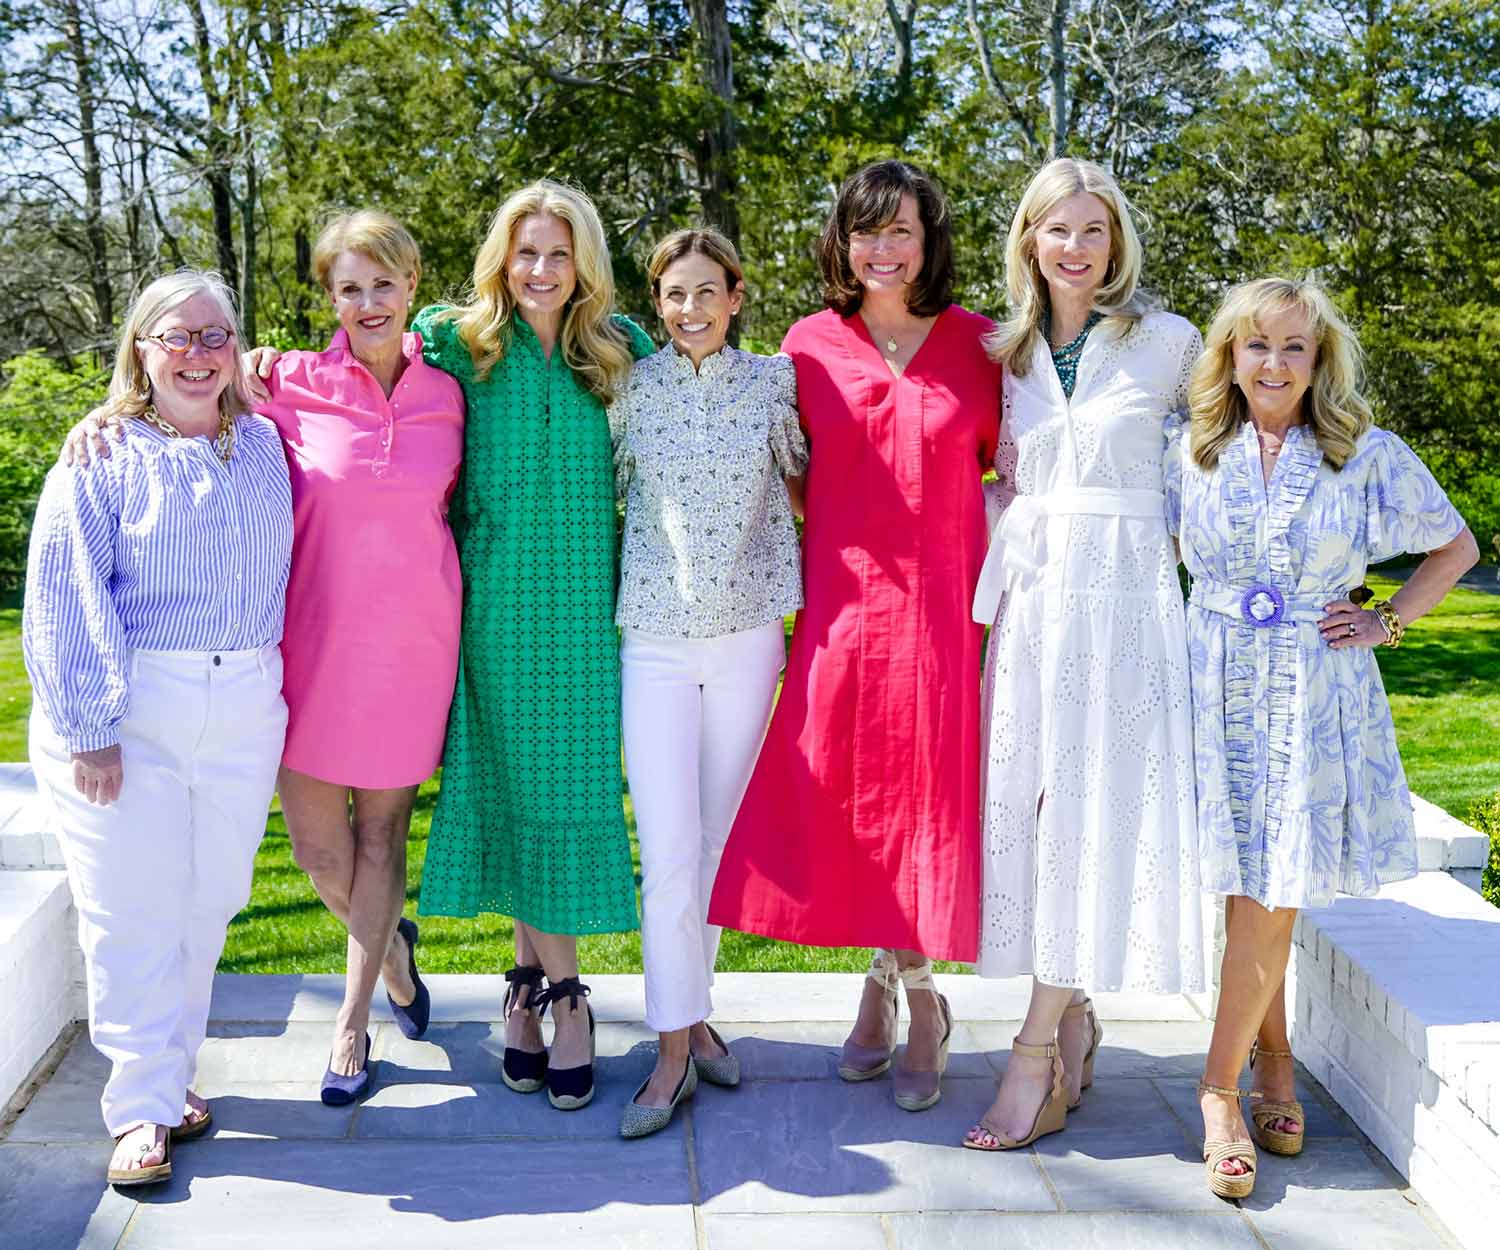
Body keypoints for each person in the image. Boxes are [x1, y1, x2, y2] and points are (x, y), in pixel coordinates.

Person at [65, 212, 465, 1105]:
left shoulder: (453, 391)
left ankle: (353, 1024)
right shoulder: (280, 382)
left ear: (412, 285)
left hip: (415, 648)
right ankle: (391, 951)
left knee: (382, 836)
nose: (368, 302)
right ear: (329, 296)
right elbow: (179, 392)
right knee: (324, 855)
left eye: (384, 283)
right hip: (307, 650)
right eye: (349, 286)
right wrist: (105, 411)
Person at [1170, 277, 1478, 1199]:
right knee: (1245, 886)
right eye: (1256, 345)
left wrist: (1386, 623)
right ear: (1228, 354)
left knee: (1277, 882)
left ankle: (1218, 1091)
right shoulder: (1186, 451)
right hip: (1212, 682)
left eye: (1294, 348)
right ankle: (1276, 1061)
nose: (1274, 363)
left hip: (1314, 691)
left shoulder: (1365, 454)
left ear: (1318, 360)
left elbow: (1454, 547)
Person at [708, 160, 1000, 1113]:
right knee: (855, 812)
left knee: (927, 813)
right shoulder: (806, 344)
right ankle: (901, 989)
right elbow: (785, 465)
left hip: (947, 616)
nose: (884, 249)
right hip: (845, 608)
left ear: (930, 240)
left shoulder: (982, 345)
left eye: (902, 231)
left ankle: (909, 1001)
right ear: (842, 242)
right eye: (866, 231)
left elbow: (1016, 468)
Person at [25, 270, 292, 1186]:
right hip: (129, 706)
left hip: (246, 702)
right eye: (172, 337)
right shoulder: (100, 453)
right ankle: (138, 1108)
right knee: (132, 914)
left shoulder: (264, 445)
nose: (194, 354)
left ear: (236, 349)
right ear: (140, 348)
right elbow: (63, 593)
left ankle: (172, 1077)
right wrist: (89, 726)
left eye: (213, 336)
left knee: (206, 903)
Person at [964, 158, 1204, 1152]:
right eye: (1056, 230)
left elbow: (1220, 464)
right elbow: (985, 477)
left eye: (1092, 231)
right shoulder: (1004, 353)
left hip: (1127, 605)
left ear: (1116, 243)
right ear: (1029, 240)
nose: (1075, 247)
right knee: (1032, 814)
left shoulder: (1170, 343)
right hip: (1033, 606)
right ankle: (1071, 1017)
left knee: (1095, 812)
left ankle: (1032, 1052)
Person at [413, 180, 653, 1111]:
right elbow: (356, 370)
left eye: (559, 253)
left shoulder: (620, 350)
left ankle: (527, 987)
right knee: (517, 787)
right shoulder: (455, 342)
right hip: (494, 615)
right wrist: (263, 366)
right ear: (500, 261)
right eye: (526, 253)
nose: (542, 271)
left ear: (583, 260)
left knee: (560, 795)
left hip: (589, 617)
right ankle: (565, 998)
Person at [612, 228, 807, 1138]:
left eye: (706, 293)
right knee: (669, 851)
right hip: (652, 639)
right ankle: (671, 1048)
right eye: (673, 295)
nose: (689, 310)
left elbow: (812, 486)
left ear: (735, 296)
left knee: (720, 850)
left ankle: (696, 1012)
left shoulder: (774, 383)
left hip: (748, 639)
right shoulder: (628, 389)